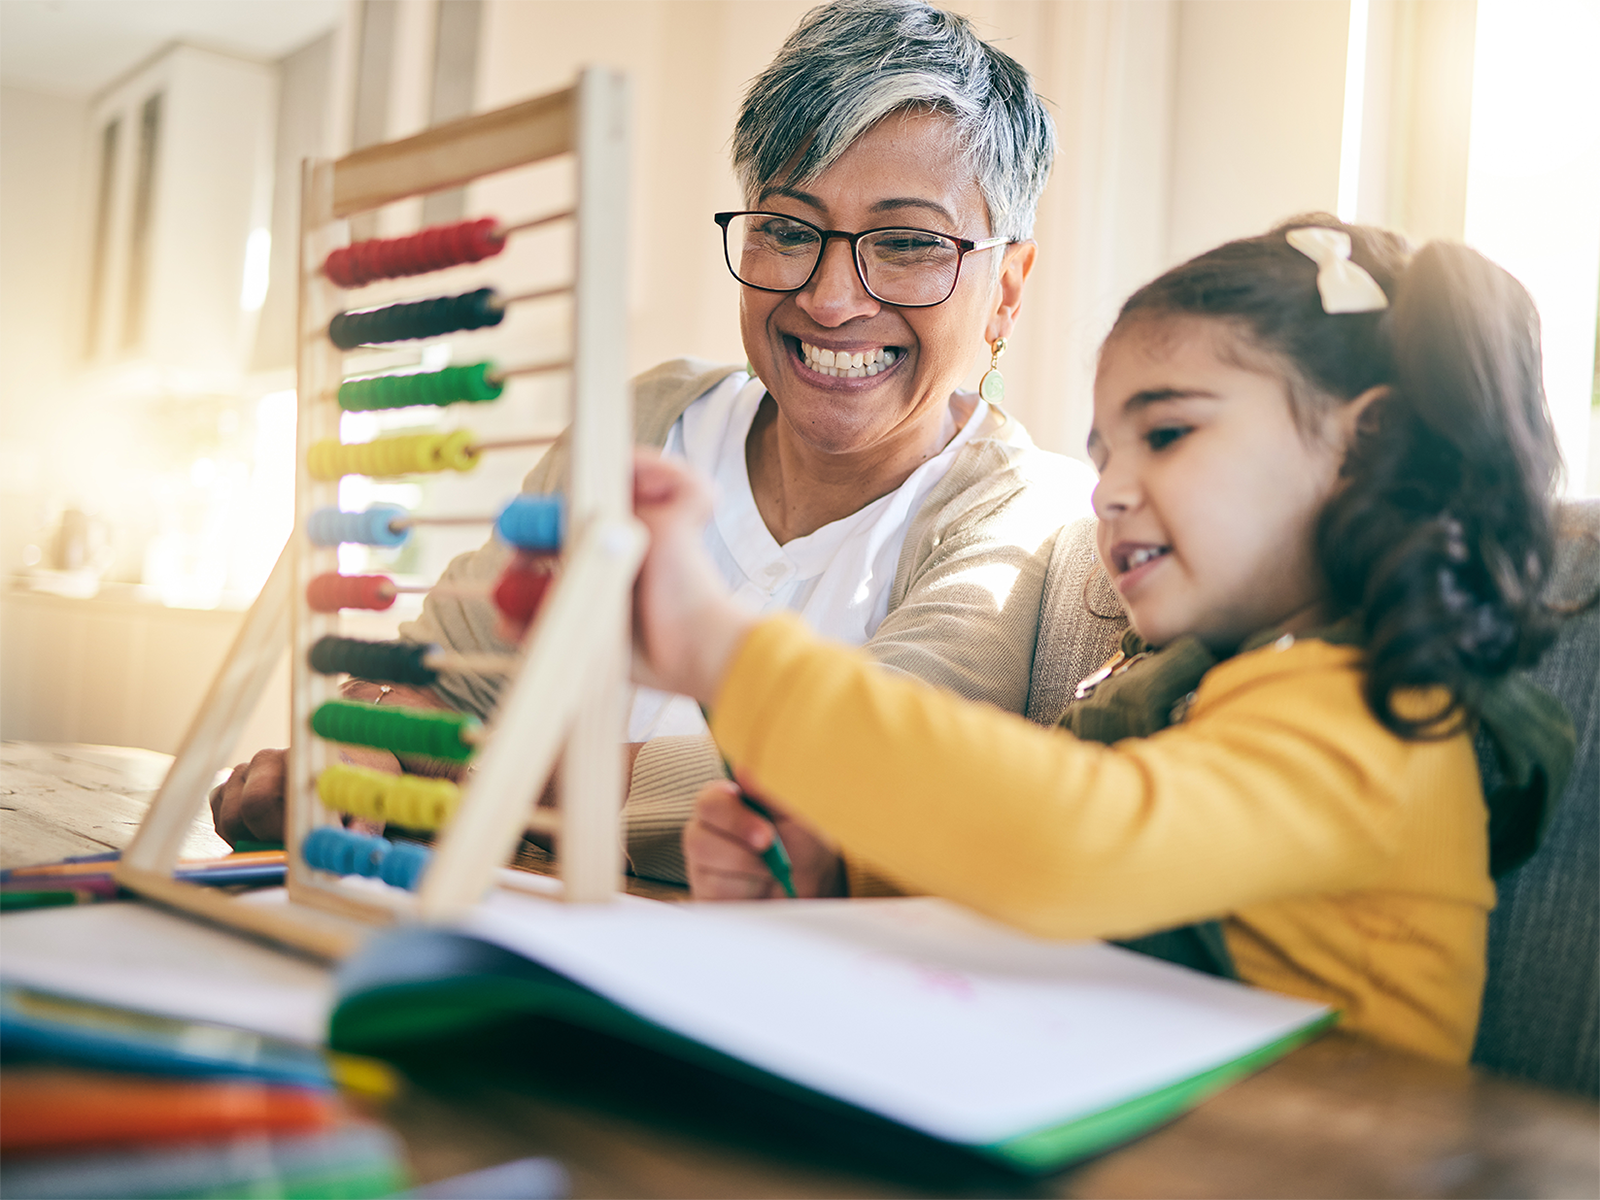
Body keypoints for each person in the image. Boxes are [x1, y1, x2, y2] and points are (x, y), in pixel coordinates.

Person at [633, 216, 1574, 1064]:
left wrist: (729, 652)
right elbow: (1058, 894)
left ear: (1359, 450)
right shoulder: (1200, 687)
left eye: (1166, 434)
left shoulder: (1377, 719)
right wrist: (837, 873)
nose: (1109, 491)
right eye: (1104, 455)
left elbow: (1072, 846)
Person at [210, 0, 1104, 878]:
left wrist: (463, 766)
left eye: (909, 243)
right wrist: (370, 753)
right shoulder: (645, 425)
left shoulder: (1017, 517)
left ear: (1009, 287)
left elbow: (856, 787)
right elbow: (435, 686)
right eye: (788, 230)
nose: (832, 299)